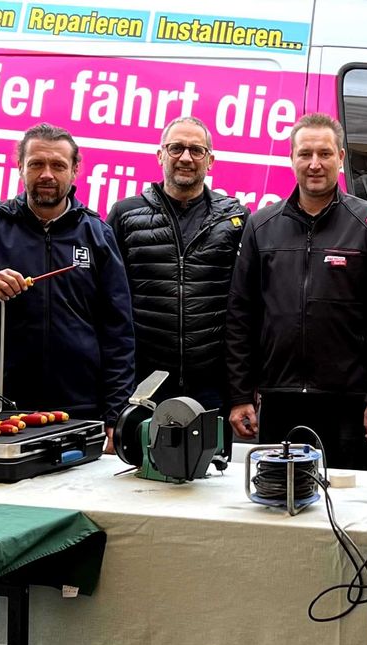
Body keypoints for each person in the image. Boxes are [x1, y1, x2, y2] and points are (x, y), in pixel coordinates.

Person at [0, 123, 135, 645]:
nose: (48, 175)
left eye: (58, 165)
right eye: (37, 164)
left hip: (79, 410)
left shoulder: (96, 234)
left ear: (76, 172)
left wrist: (113, 414)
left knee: (72, 533)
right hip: (6, 411)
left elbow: (119, 330)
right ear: (21, 167)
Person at [226, 113, 367, 471]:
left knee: (348, 504)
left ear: (340, 157)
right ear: (291, 159)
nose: (314, 164)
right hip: (279, 400)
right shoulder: (262, 224)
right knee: (281, 503)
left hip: (348, 402)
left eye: (324, 154)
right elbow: (241, 314)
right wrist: (240, 394)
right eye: (305, 154)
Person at [107, 116, 248, 421]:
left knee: (212, 468)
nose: (186, 157)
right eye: (176, 148)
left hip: (212, 384)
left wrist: (242, 389)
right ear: (160, 155)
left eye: (196, 150)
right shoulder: (125, 214)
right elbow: (110, 303)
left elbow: (246, 305)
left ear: (210, 161)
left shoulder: (235, 218)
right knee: (141, 468)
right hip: (145, 383)